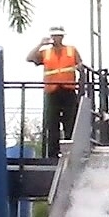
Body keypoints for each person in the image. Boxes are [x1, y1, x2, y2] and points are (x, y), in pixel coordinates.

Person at [27, 27, 81, 157]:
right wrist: (40, 44)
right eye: (54, 36)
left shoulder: (71, 50)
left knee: (70, 121)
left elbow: (80, 64)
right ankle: (52, 153)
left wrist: (79, 69)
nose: (56, 38)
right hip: (52, 91)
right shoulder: (46, 52)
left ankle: (71, 151)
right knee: (52, 123)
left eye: (59, 36)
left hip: (68, 90)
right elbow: (29, 58)